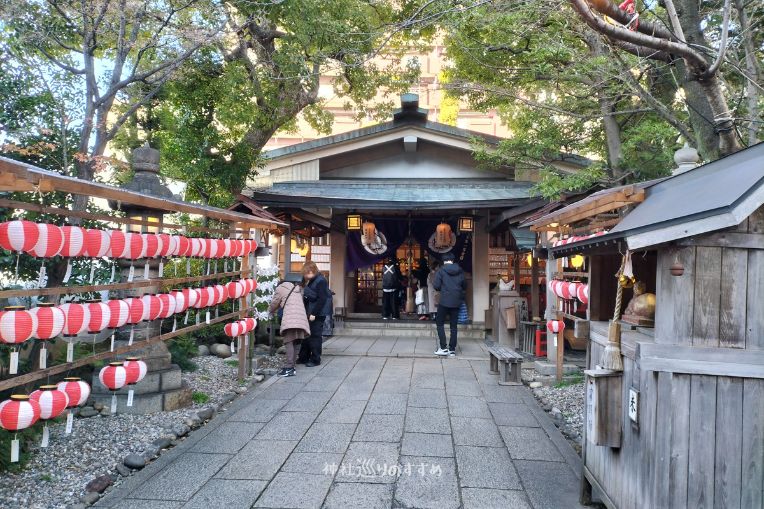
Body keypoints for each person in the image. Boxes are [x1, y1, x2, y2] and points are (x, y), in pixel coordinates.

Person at [268, 280, 310, 377]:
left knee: (288, 341)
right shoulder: (297, 289)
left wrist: (269, 311)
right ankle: (292, 365)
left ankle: (289, 367)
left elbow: (275, 303)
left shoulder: (280, 288)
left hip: (290, 318)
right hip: (300, 318)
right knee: (294, 342)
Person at [433, 252, 466, 357]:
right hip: (456, 301)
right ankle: (452, 349)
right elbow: (464, 285)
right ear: (452, 260)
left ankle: (443, 348)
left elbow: (436, 286)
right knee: (453, 326)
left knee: (439, 323)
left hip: (444, 301)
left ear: (444, 260)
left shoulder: (441, 270)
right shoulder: (460, 271)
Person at [300, 261, 328, 366]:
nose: (306, 276)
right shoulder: (313, 280)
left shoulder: (321, 280)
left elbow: (322, 299)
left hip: (317, 313)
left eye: (307, 273)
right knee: (307, 334)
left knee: (315, 336)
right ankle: (304, 357)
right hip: (310, 311)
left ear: (312, 271)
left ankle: (315, 359)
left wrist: (314, 313)